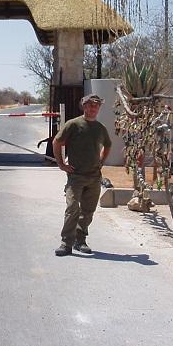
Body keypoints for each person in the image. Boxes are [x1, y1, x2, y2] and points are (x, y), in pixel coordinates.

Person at [52, 94, 111, 256]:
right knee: (72, 208)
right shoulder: (73, 124)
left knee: (88, 210)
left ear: (99, 108)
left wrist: (102, 161)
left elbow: (108, 145)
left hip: (94, 177)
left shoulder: (100, 128)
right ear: (84, 106)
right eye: (90, 105)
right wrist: (61, 164)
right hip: (75, 176)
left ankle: (80, 240)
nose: (93, 108)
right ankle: (66, 243)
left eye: (96, 105)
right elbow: (56, 142)